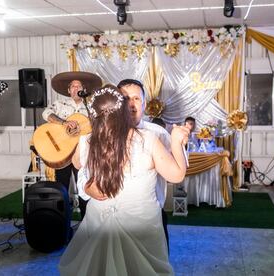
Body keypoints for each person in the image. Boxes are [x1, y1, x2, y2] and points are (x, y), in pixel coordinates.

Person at [59, 85, 189, 275]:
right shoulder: (147, 139)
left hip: (112, 218)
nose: (132, 104)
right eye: (127, 99)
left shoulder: (87, 141)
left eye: (136, 98)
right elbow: (176, 175)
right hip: (136, 223)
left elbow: (78, 164)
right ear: (122, 109)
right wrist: (177, 142)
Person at [42, 71, 101, 219]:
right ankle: (62, 223)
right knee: (61, 188)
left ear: (83, 90)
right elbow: (46, 114)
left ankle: (86, 222)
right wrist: (64, 122)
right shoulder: (59, 104)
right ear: (68, 90)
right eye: (73, 86)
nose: (76, 88)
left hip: (81, 154)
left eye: (78, 86)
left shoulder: (91, 108)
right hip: (62, 151)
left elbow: (97, 127)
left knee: (83, 187)